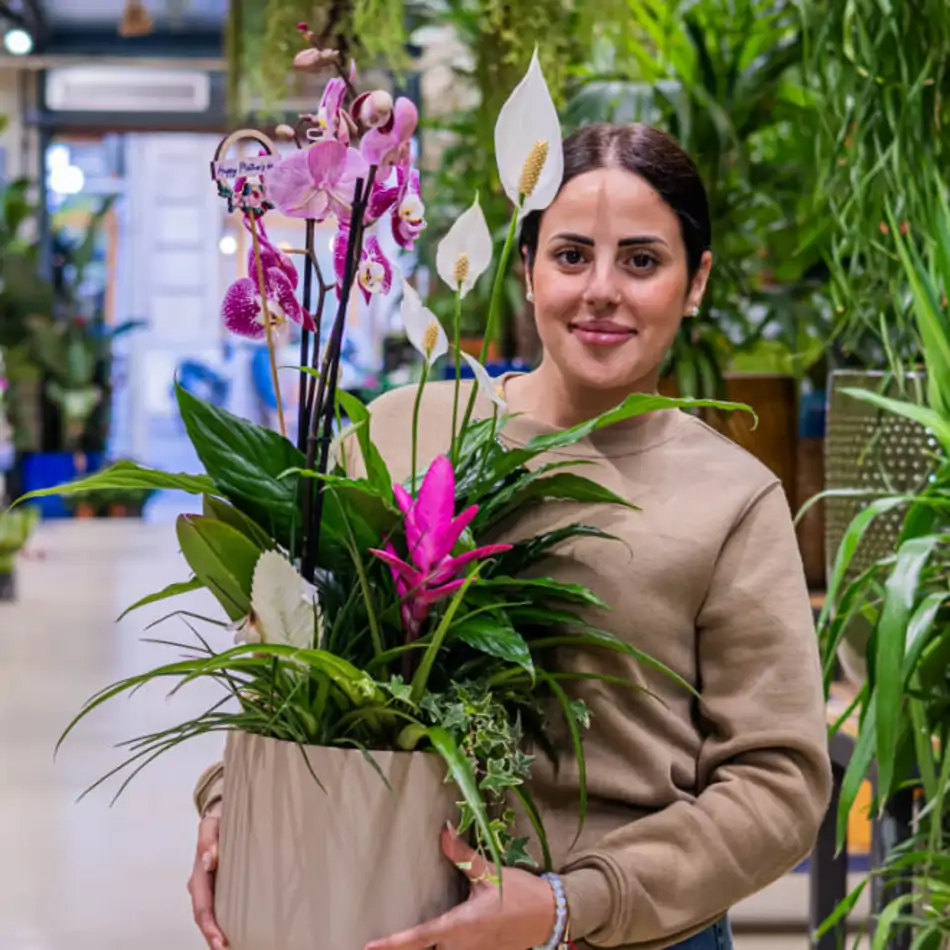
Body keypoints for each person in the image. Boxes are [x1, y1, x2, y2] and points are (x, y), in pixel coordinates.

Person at [188, 122, 832, 950]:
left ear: (695, 281)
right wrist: (229, 810)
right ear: (524, 271)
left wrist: (573, 903)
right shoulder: (399, 433)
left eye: (642, 260)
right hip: (380, 912)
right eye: (570, 256)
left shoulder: (732, 498)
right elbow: (280, 669)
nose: (601, 289)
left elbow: (778, 785)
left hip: (630, 934)